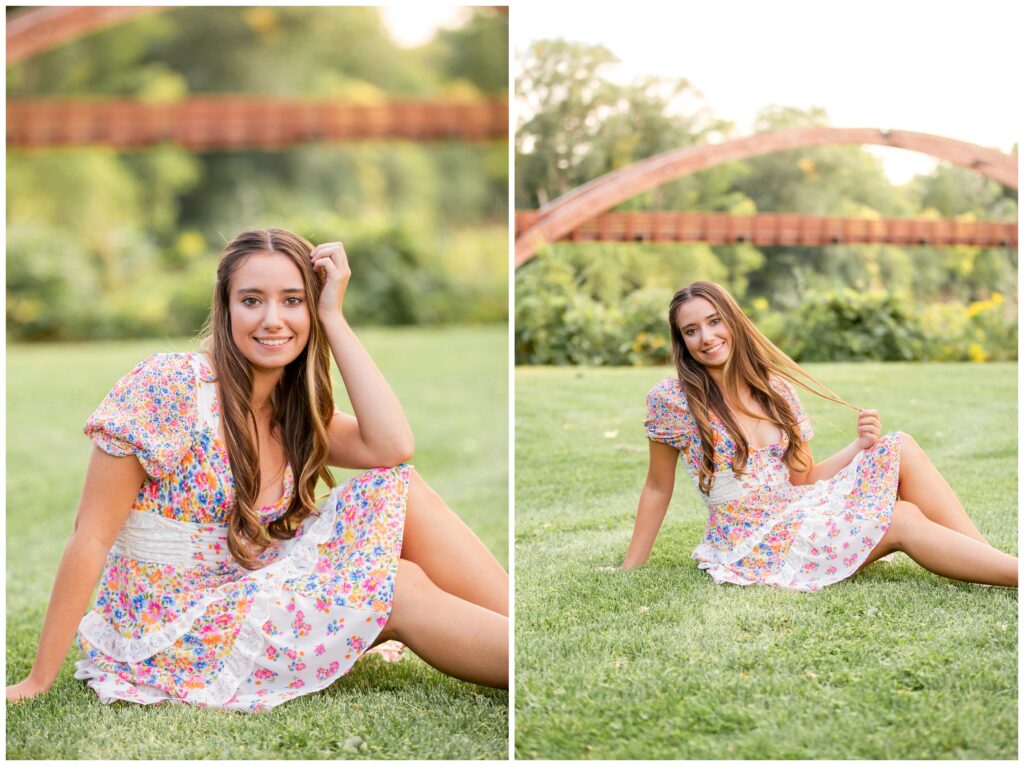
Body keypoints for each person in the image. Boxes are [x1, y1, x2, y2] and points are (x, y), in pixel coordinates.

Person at [6, 229, 508, 712]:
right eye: (251, 300)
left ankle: (519, 628)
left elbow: (392, 447)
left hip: (251, 593)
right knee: (395, 587)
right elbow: (90, 536)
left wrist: (333, 315)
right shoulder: (171, 387)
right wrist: (38, 679)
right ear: (225, 308)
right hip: (177, 630)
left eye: (293, 300)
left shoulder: (291, 412)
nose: (273, 319)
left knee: (402, 490)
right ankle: (527, 660)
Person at [621, 280, 1017, 590]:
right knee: (900, 518)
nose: (706, 338)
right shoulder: (673, 400)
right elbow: (657, 487)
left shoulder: (776, 392)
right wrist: (629, 567)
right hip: (753, 545)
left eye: (713, 321)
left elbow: (803, 478)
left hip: (799, 510)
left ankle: (987, 560)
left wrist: (860, 446)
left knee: (900, 445)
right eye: (691, 331)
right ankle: (1009, 571)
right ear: (682, 342)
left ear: (733, 321)